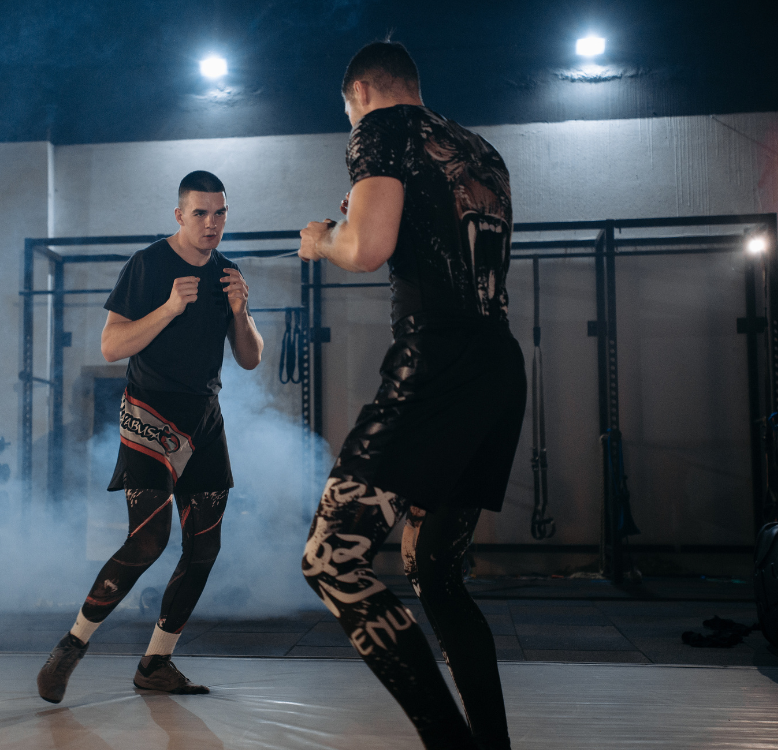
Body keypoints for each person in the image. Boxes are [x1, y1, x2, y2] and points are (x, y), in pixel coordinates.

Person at [298, 42, 525, 750]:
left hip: (437, 364)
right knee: (435, 572)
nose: (349, 124)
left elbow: (365, 249)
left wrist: (324, 239)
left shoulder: (380, 130)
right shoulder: (480, 149)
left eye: (346, 111)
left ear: (361, 92)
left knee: (332, 558)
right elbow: (435, 240)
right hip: (498, 365)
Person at [36, 170, 264, 703]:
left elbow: (250, 359)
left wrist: (241, 311)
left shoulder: (229, 272)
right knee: (149, 540)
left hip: (204, 418)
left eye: (220, 213)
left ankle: (157, 661)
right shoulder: (147, 264)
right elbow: (112, 347)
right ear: (179, 215)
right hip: (150, 413)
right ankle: (73, 644)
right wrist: (168, 307)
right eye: (201, 213)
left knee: (205, 546)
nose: (212, 224)